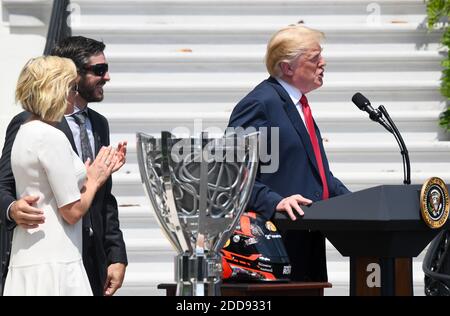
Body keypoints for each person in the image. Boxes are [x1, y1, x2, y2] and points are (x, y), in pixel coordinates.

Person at [0, 36, 128, 296]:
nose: (107, 77)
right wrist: (11, 209)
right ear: (72, 76)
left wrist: (116, 254)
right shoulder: (28, 125)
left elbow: (105, 199)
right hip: (48, 254)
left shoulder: (99, 123)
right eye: (99, 70)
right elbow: (3, 183)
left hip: (89, 259)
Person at [228, 25, 350, 282]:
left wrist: (359, 204)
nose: (323, 63)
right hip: (274, 245)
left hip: (307, 238)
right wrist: (275, 202)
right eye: (314, 58)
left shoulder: (298, 105)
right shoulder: (259, 104)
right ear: (288, 68)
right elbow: (233, 174)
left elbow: (316, 174)